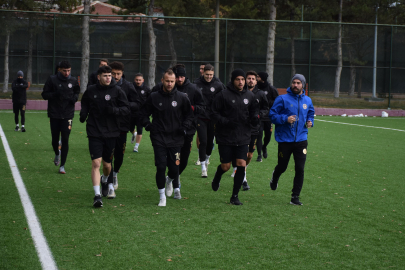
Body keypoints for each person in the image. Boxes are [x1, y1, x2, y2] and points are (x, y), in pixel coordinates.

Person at [139, 69, 193, 207]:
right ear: (162, 80)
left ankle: (169, 181)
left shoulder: (182, 97)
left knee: (175, 169)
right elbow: (143, 113)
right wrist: (148, 125)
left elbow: (189, 115)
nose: (170, 84)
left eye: (172, 81)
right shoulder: (154, 96)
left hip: (176, 138)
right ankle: (162, 197)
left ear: (175, 82)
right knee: (161, 166)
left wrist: (184, 127)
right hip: (159, 137)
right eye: (167, 81)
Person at [79, 65, 130, 207]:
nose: (108, 78)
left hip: (112, 132)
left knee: (107, 165)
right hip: (94, 130)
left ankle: (105, 179)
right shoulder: (91, 90)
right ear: (99, 77)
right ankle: (97, 195)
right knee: (96, 163)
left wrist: (114, 110)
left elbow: (126, 109)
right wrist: (83, 113)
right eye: (105, 76)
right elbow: (85, 103)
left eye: (110, 76)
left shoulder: (117, 91)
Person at [211, 69, 259, 205]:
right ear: (233, 80)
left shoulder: (250, 96)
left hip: (243, 136)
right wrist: (226, 122)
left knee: (241, 164)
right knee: (226, 166)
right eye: (238, 79)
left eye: (243, 79)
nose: (241, 82)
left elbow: (254, 110)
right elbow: (213, 113)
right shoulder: (223, 95)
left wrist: (255, 118)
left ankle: (234, 196)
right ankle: (218, 175)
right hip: (225, 136)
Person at [269, 74, 314, 206]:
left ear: (303, 85)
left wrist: (310, 121)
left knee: (300, 168)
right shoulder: (282, 99)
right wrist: (285, 119)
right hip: (285, 140)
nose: (295, 85)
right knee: (282, 166)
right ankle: (275, 176)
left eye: (298, 83)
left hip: (301, 140)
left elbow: (310, 113)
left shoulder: (307, 100)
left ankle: (295, 197)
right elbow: (272, 116)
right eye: (294, 82)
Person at [104, 61, 140, 197]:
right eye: (113, 73)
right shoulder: (105, 86)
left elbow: (137, 104)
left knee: (119, 155)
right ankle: (109, 183)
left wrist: (123, 106)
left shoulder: (129, 87)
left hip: (123, 126)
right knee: (109, 154)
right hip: (107, 127)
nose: (115, 76)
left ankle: (114, 173)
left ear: (122, 74)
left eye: (118, 74)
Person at [231, 71, 269, 191]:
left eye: (253, 78)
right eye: (249, 78)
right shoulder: (240, 93)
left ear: (256, 81)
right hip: (240, 128)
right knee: (242, 153)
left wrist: (259, 116)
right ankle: (244, 179)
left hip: (254, 129)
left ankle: (239, 169)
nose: (251, 80)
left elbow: (266, 108)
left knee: (250, 155)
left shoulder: (261, 94)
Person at [41, 60, 80, 174]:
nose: (67, 73)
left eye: (68, 71)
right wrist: (54, 94)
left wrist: (75, 98)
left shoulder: (73, 80)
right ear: (59, 70)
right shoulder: (52, 79)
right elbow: (44, 95)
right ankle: (57, 154)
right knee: (54, 140)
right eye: (64, 71)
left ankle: (62, 166)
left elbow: (77, 91)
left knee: (66, 139)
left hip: (68, 115)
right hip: (55, 114)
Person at [172, 64, 205, 182]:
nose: (179, 79)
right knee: (172, 157)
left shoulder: (193, 89)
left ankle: (173, 176)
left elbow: (201, 107)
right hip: (171, 129)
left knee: (184, 159)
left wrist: (191, 108)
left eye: (181, 76)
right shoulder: (169, 87)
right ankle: (174, 178)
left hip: (188, 128)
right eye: (177, 77)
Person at [194, 64, 225, 177]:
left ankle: (206, 159)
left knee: (210, 142)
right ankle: (203, 168)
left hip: (213, 118)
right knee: (203, 140)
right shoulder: (197, 83)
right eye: (207, 74)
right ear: (203, 73)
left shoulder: (218, 84)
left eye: (211, 75)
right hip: (201, 117)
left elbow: (224, 97)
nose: (209, 77)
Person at [256, 71, 279, 162]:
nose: (256, 78)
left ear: (262, 78)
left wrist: (267, 102)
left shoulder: (271, 89)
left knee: (268, 136)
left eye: (258, 76)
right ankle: (259, 155)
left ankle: (264, 147)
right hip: (259, 116)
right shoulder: (255, 88)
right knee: (259, 134)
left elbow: (277, 101)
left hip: (269, 116)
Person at [131, 73, 151, 152]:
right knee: (130, 127)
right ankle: (134, 133)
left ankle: (136, 146)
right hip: (131, 112)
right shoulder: (131, 87)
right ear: (134, 80)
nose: (138, 81)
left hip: (141, 113)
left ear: (143, 80)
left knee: (140, 129)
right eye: (136, 80)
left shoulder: (146, 89)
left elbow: (150, 100)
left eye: (139, 80)